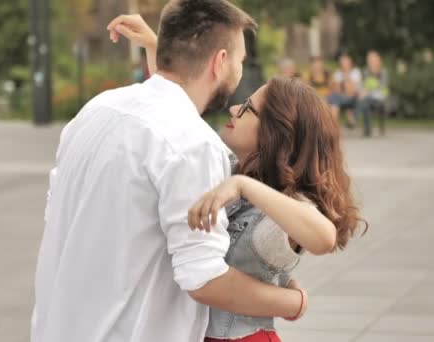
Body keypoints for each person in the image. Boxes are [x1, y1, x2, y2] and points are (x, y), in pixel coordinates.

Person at [31, 2, 306, 342]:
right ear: (220, 61)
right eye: (240, 60)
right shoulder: (192, 144)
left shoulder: (96, 110)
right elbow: (204, 278)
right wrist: (293, 301)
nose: (239, 72)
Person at [113, 13, 367, 342]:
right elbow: (180, 110)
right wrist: (155, 46)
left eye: (248, 109)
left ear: (276, 134)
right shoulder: (230, 166)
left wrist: (244, 186)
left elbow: (323, 237)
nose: (234, 109)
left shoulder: (277, 206)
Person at [356, 50, 389, 137]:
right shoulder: (365, 72)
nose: (371, 62)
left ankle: (355, 117)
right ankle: (367, 130)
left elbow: (381, 87)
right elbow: (360, 85)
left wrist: (367, 92)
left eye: (373, 60)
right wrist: (361, 92)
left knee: (365, 100)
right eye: (369, 60)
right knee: (365, 101)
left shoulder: (383, 72)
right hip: (368, 98)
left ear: (378, 61)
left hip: (380, 98)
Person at [327, 54, 362, 127]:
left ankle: (334, 125)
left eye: (346, 62)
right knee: (334, 100)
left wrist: (345, 77)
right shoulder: (338, 73)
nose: (344, 65)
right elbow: (337, 89)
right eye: (342, 63)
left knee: (334, 100)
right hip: (340, 97)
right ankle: (334, 125)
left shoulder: (356, 72)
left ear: (350, 63)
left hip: (353, 98)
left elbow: (351, 90)